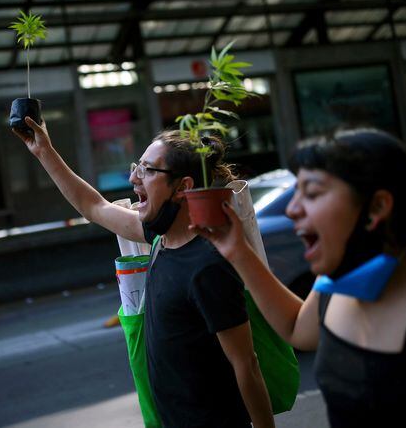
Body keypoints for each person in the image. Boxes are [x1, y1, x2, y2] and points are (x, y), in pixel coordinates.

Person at [14, 117, 274, 428]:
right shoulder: (158, 238)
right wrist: (44, 151)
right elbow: (93, 207)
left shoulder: (208, 265)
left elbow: (246, 365)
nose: (134, 177)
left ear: (183, 187)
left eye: (148, 170)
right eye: (138, 166)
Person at [192, 128, 406, 427]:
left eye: (312, 193)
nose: (292, 209)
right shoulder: (339, 281)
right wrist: (238, 251)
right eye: (296, 191)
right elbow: (297, 328)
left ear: (377, 206)